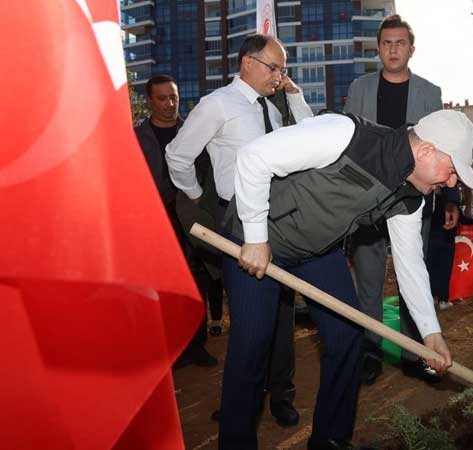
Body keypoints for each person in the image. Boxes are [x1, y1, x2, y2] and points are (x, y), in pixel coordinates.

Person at [231, 109, 473, 450]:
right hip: (260, 237)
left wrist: (430, 333)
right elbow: (253, 156)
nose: (451, 183)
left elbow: (410, 265)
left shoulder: (411, 197)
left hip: (317, 249)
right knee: (252, 347)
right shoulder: (346, 134)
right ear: (425, 150)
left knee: (346, 336)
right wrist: (256, 238)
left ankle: (330, 439)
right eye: (451, 171)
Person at [165, 35, 313, 433]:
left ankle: (281, 397)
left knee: (282, 314)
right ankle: (240, 411)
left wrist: (294, 95)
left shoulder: (274, 105)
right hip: (239, 224)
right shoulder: (218, 104)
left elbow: (307, 136)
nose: (279, 76)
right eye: (274, 68)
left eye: (283, 69)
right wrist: (198, 197)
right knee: (250, 326)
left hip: (279, 221)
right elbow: (177, 155)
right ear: (247, 62)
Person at [343, 14, 458, 385]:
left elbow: (444, 149)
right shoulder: (359, 88)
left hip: (413, 198)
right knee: (369, 281)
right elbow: (349, 142)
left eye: (400, 43)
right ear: (378, 49)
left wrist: (451, 197)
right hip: (367, 198)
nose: (393, 49)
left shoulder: (430, 92)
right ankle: (370, 352)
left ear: (411, 49)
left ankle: (415, 352)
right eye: (387, 43)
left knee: (412, 272)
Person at [134, 74, 217, 368]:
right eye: (162, 98)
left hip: (191, 217)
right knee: (164, 285)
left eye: (174, 97)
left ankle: (197, 344)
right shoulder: (136, 138)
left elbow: (207, 172)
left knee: (197, 281)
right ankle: (173, 348)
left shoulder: (192, 131)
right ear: (149, 101)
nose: (170, 104)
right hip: (155, 221)